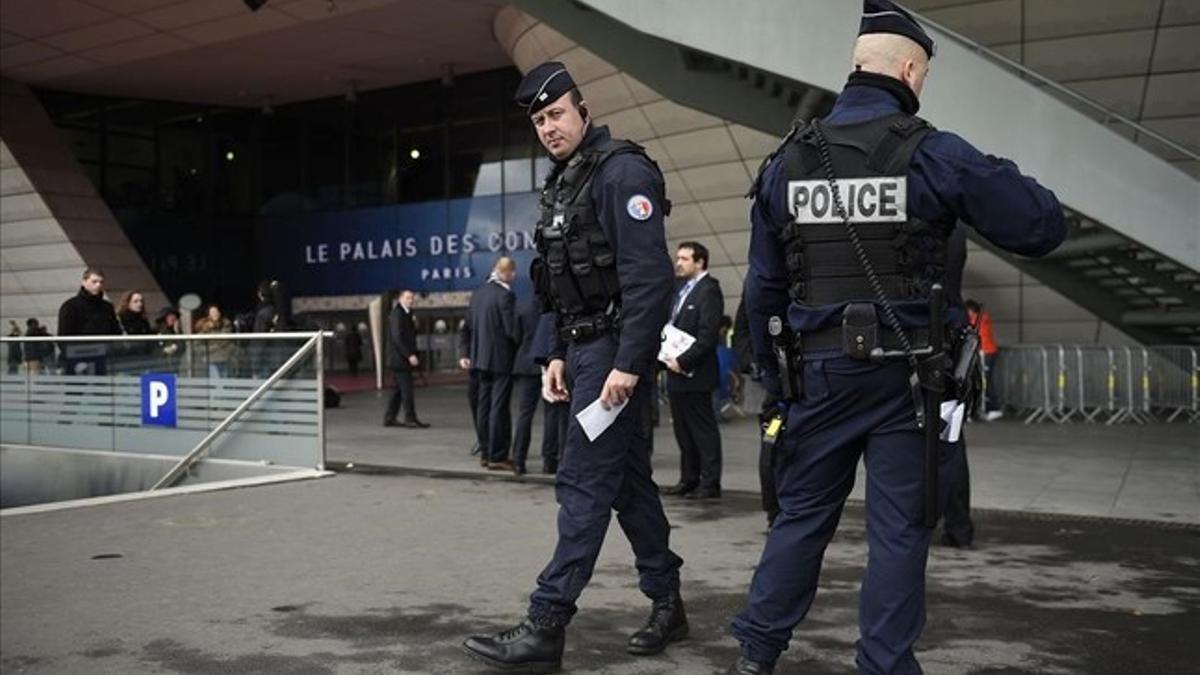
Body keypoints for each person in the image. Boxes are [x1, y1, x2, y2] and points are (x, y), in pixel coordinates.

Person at [728, 3, 1067, 674]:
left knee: (800, 518)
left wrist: (776, 379)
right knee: (898, 530)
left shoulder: (785, 162)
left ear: (858, 66)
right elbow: (1041, 224)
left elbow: (763, 286)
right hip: (905, 379)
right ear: (910, 70)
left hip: (817, 376)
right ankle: (884, 664)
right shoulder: (933, 152)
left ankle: (756, 652)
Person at [463, 61, 686, 672]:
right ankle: (668, 600)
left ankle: (546, 625)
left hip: (614, 356)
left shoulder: (621, 172)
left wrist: (629, 363)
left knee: (582, 483)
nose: (548, 127)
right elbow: (558, 283)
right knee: (627, 485)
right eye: (538, 120)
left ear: (582, 110)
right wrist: (556, 351)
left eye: (556, 113)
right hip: (584, 351)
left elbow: (649, 277)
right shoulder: (564, 183)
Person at [661, 241, 725, 500]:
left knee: (703, 431)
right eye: (678, 258)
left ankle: (710, 483)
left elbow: (708, 334)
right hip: (674, 371)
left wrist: (684, 361)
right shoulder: (680, 290)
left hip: (695, 373)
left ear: (700, 262)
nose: (679, 263)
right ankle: (688, 478)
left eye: (685, 259)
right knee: (683, 430)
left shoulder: (709, 290)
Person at [459, 257, 519, 470]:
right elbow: (511, 330)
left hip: (479, 360)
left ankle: (485, 452)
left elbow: (466, 326)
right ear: (509, 272)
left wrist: (466, 353)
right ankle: (497, 455)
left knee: (483, 407)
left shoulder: (478, 294)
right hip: (500, 361)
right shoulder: (505, 296)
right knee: (498, 408)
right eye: (514, 273)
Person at [57, 267, 121, 375]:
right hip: (77, 361)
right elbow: (64, 337)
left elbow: (115, 332)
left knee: (101, 389)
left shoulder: (107, 307)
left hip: (102, 360)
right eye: (94, 281)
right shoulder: (70, 306)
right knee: (77, 389)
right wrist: (76, 361)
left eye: (101, 282)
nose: (98, 285)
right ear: (84, 282)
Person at [510, 296, 544, 475]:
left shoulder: (522, 307)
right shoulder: (555, 305)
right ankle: (550, 461)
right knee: (554, 414)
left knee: (524, 414)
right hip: (549, 362)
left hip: (526, 362)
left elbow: (515, 335)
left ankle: (518, 461)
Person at [385, 290, 429, 428]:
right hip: (400, 360)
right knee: (406, 390)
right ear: (400, 299)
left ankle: (389, 418)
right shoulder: (397, 314)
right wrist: (409, 355)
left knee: (397, 390)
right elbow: (397, 338)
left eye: (412, 298)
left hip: (401, 359)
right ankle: (410, 418)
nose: (411, 300)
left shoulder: (407, 313)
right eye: (408, 298)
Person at [966, 299, 1002, 421]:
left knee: (986, 380)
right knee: (983, 380)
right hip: (984, 352)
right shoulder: (978, 319)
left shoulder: (980, 319)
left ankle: (994, 407)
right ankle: (985, 408)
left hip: (987, 352)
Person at [115, 289, 155, 373]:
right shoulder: (120, 319)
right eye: (135, 301)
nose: (139, 304)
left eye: (141, 301)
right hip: (126, 360)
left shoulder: (143, 320)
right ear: (127, 303)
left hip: (143, 359)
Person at [196, 304, 234, 378]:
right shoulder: (204, 327)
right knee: (215, 379)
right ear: (209, 315)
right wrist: (209, 349)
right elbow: (197, 345)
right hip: (211, 358)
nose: (215, 314)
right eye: (213, 312)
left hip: (224, 357)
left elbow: (224, 339)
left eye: (216, 311)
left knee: (225, 380)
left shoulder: (226, 324)